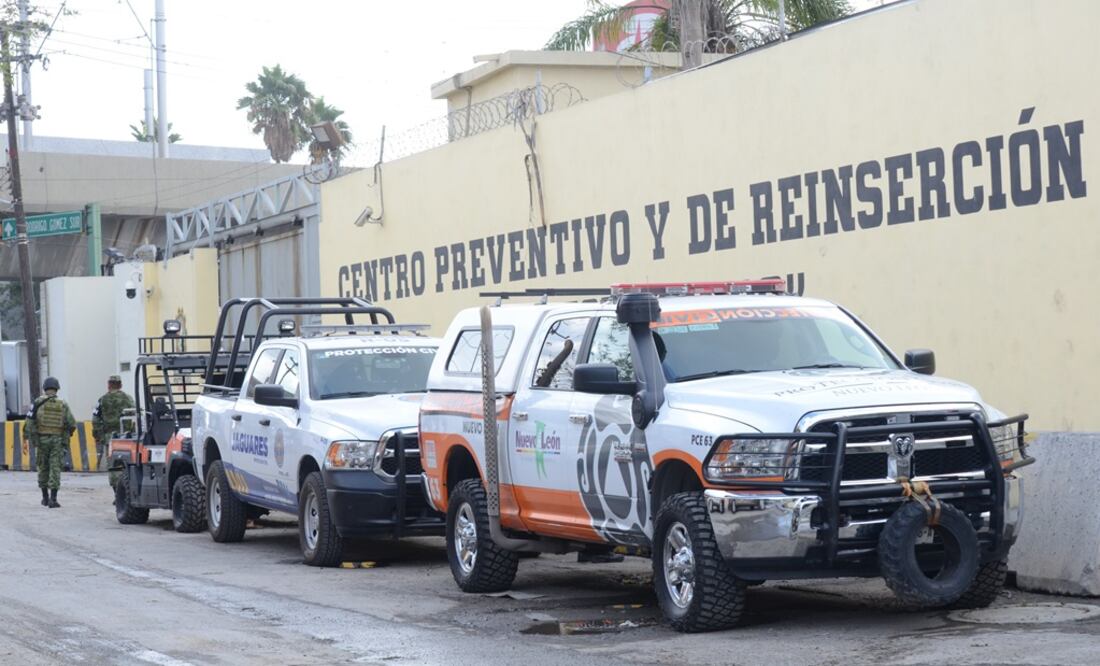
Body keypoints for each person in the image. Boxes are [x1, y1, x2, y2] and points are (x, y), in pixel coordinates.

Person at [24, 377, 76, 509]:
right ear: (57, 388)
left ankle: (45, 498)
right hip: (57, 441)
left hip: (42, 440)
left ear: (45, 388)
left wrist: (33, 439)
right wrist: (66, 435)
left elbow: (29, 423)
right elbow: (72, 423)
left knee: (43, 467)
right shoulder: (63, 404)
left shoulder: (37, 402)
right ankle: (53, 499)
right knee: (55, 467)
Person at [92, 374, 134, 487]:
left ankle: (116, 490)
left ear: (109, 385)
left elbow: (95, 419)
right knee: (126, 464)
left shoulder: (102, 400)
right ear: (121, 385)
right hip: (126, 438)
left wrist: (98, 436)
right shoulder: (128, 399)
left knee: (113, 465)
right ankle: (125, 488)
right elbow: (135, 416)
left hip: (109, 438)